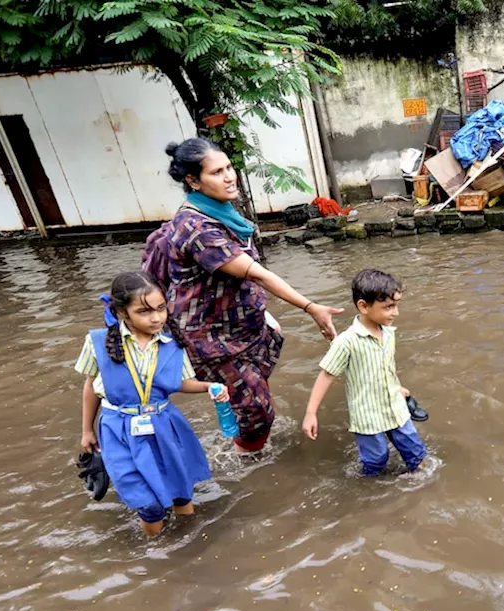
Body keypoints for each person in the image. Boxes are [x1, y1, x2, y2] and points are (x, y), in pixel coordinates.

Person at [142, 138, 344, 454]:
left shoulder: (223, 212)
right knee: (258, 409)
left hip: (241, 324)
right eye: (217, 172)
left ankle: (236, 410)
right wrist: (310, 306)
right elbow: (256, 273)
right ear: (193, 181)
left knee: (262, 364)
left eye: (229, 167)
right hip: (211, 338)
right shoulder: (195, 226)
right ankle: (245, 460)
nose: (229, 176)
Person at [76, 272, 229, 536]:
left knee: (181, 492)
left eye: (161, 309)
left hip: (164, 424)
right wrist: (87, 430)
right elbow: (91, 386)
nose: (156, 318)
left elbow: (180, 382)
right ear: (122, 312)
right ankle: (157, 551)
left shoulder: (172, 343)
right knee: (147, 505)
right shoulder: (98, 343)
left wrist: (208, 387)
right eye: (144, 311)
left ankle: (188, 546)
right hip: (118, 429)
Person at [302, 269, 427, 476]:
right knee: (376, 461)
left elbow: (386, 366)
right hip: (367, 416)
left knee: (417, 453)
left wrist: (398, 386)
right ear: (363, 306)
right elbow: (326, 375)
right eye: (388, 307)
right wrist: (310, 413)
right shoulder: (346, 342)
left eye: (396, 305)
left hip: (395, 407)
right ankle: (371, 491)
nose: (396, 313)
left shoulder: (388, 332)